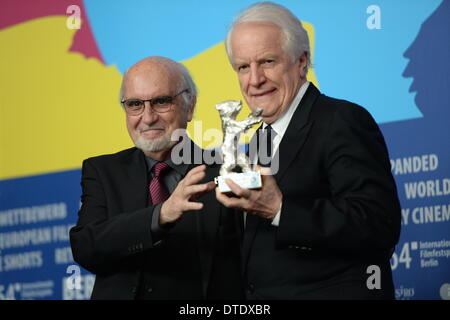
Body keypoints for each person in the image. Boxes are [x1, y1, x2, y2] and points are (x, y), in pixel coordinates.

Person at [216, 2, 401, 299]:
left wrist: (280, 209)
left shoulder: (341, 120)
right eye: (243, 67)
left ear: (301, 61)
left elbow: (378, 223)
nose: (254, 80)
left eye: (267, 62)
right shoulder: (257, 142)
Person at [70, 56, 244, 300]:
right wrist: (160, 215)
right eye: (134, 104)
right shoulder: (103, 171)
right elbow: (86, 247)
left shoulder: (228, 170)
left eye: (162, 101)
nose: (148, 117)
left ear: (190, 106)